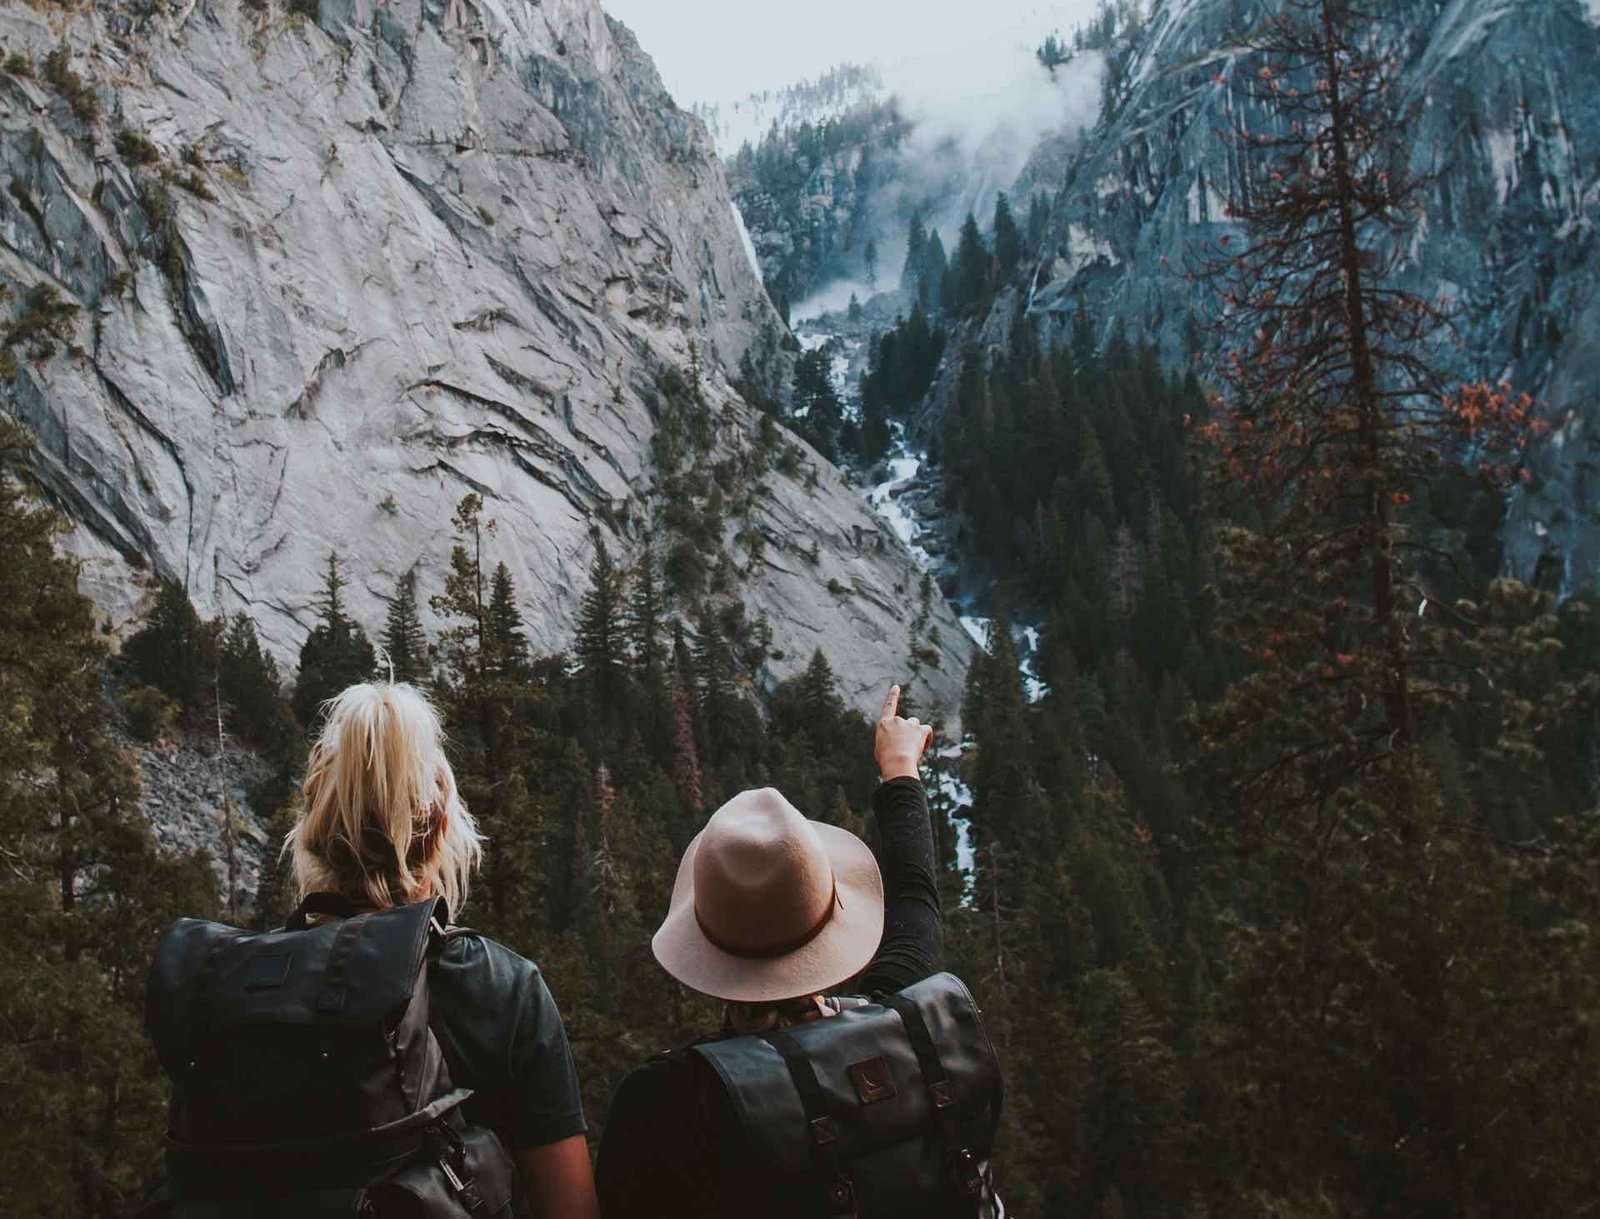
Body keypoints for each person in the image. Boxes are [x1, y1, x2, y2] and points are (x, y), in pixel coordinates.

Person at [157, 682, 599, 1219]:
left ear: (314, 832)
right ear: (438, 825)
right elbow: (570, 1209)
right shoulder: (501, 986)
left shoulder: (245, 989)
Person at [596, 683, 953, 1217]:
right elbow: (915, 900)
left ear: (705, 943)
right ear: (830, 921)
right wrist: (900, 768)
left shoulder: (659, 1104)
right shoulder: (898, 1033)